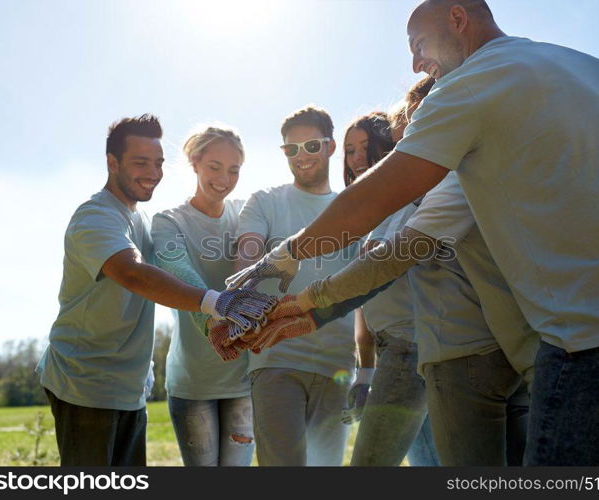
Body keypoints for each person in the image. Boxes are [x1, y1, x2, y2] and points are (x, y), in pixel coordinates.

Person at [225, 0, 599, 465]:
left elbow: (377, 207)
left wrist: (283, 261)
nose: (415, 64)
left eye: (418, 44)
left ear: (457, 18)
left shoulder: (470, 84)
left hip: (595, 339)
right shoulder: (597, 70)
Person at [36, 114, 276, 466]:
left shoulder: (139, 219)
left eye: (158, 163)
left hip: (129, 388)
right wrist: (216, 304)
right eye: (140, 163)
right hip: (86, 384)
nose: (152, 172)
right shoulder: (95, 217)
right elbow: (134, 274)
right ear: (112, 162)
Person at [234, 106, 358, 466]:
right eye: (291, 149)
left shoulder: (353, 207)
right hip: (276, 360)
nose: (301, 157)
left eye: (311, 146)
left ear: (331, 147)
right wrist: (241, 305)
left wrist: (366, 366)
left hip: (337, 364)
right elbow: (247, 259)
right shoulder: (265, 201)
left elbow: (366, 282)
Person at [152, 125, 254, 466]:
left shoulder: (248, 214)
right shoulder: (168, 222)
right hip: (193, 382)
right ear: (194, 162)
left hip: (244, 380)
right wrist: (212, 319)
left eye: (234, 170)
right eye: (215, 166)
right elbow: (176, 268)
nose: (224, 178)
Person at [341, 111, 439, 466]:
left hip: (410, 346)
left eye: (366, 146)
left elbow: (375, 273)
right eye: (349, 150)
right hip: (392, 348)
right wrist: (365, 371)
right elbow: (365, 305)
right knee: (429, 462)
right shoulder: (367, 214)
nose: (357, 158)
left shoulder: (413, 198)